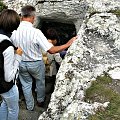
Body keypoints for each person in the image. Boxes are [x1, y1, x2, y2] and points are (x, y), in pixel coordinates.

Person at [10, 5, 77, 111]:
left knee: (26, 85)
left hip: (21, 62)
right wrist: (68, 44)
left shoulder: (13, 31)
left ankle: (30, 106)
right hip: (36, 63)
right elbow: (51, 50)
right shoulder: (36, 32)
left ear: (21, 16)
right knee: (40, 82)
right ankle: (40, 101)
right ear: (33, 17)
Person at [0, 9, 22, 120]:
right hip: (6, 86)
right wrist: (18, 56)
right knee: (13, 109)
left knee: (4, 103)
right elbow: (8, 78)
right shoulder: (7, 46)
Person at [42, 28, 62, 93]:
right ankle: (46, 94)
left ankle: (38, 92)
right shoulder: (53, 49)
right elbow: (58, 60)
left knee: (41, 82)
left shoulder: (41, 45)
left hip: (41, 68)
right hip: (50, 70)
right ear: (54, 39)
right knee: (49, 83)